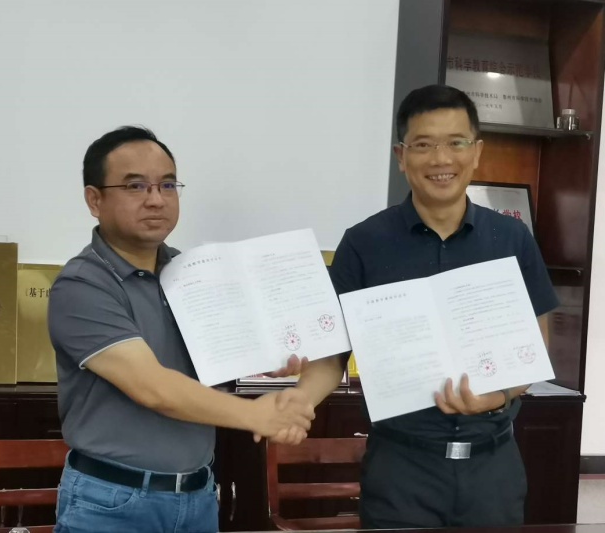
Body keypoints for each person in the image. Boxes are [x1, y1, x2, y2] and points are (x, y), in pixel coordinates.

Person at [289, 84, 558, 528]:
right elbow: (332, 354)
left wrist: (498, 395)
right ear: (401, 155)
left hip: (492, 469)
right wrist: (299, 400)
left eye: (456, 143)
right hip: (401, 469)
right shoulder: (364, 243)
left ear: (477, 152)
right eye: (423, 145)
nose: (441, 159)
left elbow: (534, 349)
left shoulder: (512, 238)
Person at [48, 126, 315, 533]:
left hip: (198, 496)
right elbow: (153, 387)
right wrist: (256, 415)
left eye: (168, 185)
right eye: (135, 186)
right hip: (113, 502)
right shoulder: (82, 285)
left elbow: (220, 354)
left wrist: (267, 357)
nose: (156, 199)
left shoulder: (191, 273)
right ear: (94, 199)